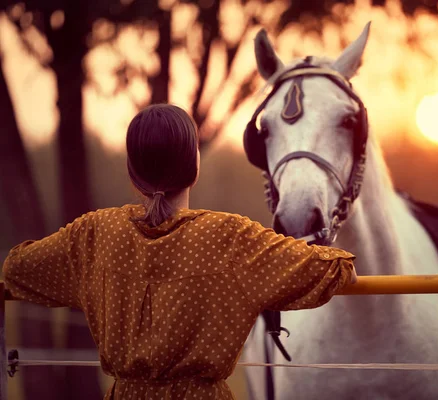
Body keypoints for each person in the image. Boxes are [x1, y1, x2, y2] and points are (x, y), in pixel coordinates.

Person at [2, 104, 357, 399]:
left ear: (132, 170)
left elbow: (16, 269)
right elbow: (332, 269)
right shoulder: (230, 238)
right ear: (195, 166)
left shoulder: (93, 234)